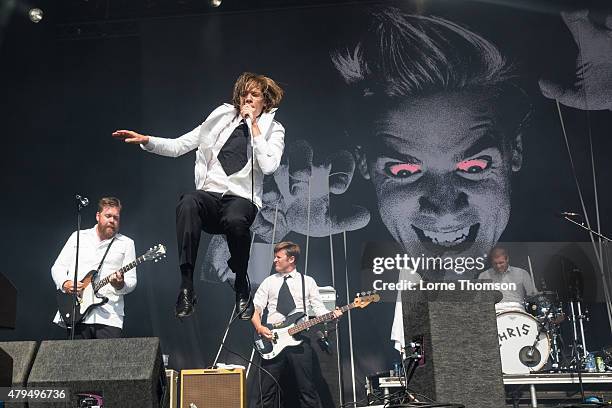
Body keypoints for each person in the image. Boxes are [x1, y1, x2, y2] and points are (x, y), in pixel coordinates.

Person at [112, 72, 285, 319]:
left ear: (265, 102)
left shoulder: (273, 129)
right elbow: (180, 145)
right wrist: (147, 140)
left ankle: (240, 281)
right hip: (210, 196)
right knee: (188, 201)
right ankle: (186, 285)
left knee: (236, 220)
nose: (247, 99)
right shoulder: (221, 119)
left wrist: (254, 125)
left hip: (241, 198)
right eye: (244, 94)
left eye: (254, 95)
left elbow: (269, 166)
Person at [251, 241, 342, 408]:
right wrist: (259, 327)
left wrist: (332, 316)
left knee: (306, 389)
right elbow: (255, 308)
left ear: (291, 259)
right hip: (273, 339)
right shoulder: (269, 282)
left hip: (300, 338)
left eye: (279, 257)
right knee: (266, 391)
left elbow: (320, 310)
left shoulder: (307, 282)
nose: (275, 260)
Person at [51, 197, 137, 339]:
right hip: (76, 312)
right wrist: (65, 284)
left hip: (109, 316)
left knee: (109, 360)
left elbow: (132, 281)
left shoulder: (126, 243)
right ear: (98, 216)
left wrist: (120, 284)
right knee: (75, 360)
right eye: (108, 216)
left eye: (116, 218)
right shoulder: (78, 236)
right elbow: (58, 267)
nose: (112, 221)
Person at [478, 246, 538, 312]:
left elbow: (533, 296)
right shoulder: (484, 276)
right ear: (491, 262)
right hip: (495, 311)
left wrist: (535, 295)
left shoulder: (522, 273)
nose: (498, 266)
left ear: (507, 259)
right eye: (495, 263)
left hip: (518, 310)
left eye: (501, 263)